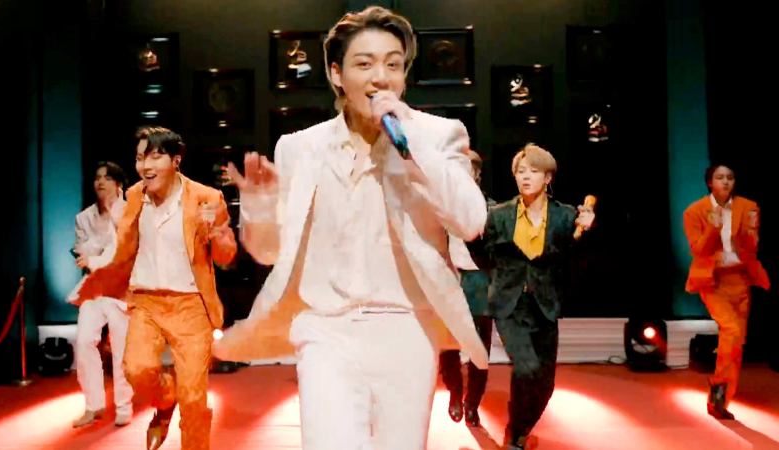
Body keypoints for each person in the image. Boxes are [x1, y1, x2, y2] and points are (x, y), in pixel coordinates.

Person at [214, 6, 488, 450]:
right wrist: (261, 208)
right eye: (365, 63)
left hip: (407, 328)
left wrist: (411, 142)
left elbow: (471, 221)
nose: (381, 77)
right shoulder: (299, 148)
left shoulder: (438, 136)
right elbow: (269, 253)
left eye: (393, 64)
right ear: (336, 73)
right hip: (325, 329)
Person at [73, 127, 237, 450]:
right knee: (137, 370)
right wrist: (100, 277)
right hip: (146, 302)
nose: (145, 166)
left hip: (190, 305)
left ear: (176, 160)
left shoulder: (206, 198)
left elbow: (226, 257)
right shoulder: (135, 197)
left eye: (155, 157)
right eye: (139, 158)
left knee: (194, 399)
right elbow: (123, 250)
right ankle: (165, 400)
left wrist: (216, 233)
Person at [468, 143, 595, 450]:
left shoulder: (566, 216)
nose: (525, 177)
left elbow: (578, 260)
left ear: (547, 178)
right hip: (509, 304)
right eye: (521, 171)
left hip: (545, 304)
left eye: (533, 171)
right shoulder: (499, 215)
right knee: (526, 367)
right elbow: (479, 253)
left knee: (545, 384)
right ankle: (515, 438)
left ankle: (519, 426)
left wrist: (586, 232)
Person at [682, 163, 770, 420]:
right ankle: (718, 394)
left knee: (736, 343)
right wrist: (713, 227)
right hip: (713, 281)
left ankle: (720, 401)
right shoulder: (694, 211)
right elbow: (698, 250)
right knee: (730, 331)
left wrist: (750, 233)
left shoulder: (748, 207)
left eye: (730, 177)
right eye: (720, 177)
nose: (726, 182)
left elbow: (751, 248)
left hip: (740, 280)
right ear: (710, 182)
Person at [69, 161, 133, 428]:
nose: (101, 182)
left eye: (107, 178)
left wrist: (97, 255)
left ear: (119, 184)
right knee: (84, 341)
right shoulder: (84, 218)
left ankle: (124, 405)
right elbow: (81, 252)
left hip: (123, 287)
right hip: (95, 286)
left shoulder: (130, 211)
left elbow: (124, 251)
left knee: (121, 348)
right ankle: (93, 405)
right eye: (97, 177)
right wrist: (96, 252)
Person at [440, 149, 495, 427]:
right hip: (449, 278)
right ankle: (454, 393)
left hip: (479, 280)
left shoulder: (491, 209)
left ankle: (472, 403)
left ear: (477, 174)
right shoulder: (440, 206)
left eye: (467, 168)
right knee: (448, 346)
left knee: (479, 348)